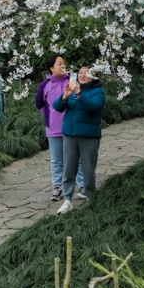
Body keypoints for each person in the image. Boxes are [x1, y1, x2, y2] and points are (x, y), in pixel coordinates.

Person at [53, 65, 105, 214]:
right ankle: (67, 199)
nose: (82, 75)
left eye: (86, 73)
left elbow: (94, 107)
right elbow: (57, 107)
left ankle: (90, 197)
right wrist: (65, 96)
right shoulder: (72, 89)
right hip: (70, 134)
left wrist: (79, 93)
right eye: (80, 73)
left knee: (88, 169)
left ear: (94, 77)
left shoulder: (98, 92)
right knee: (68, 168)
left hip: (88, 136)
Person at [35, 55, 85, 201]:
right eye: (59, 64)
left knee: (77, 158)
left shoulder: (72, 81)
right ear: (51, 68)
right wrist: (48, 116)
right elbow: (39, 103)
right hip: (54, 129)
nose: (63, 66)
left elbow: (80, 97)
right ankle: (58, 187)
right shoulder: (45, 85)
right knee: (57, 160)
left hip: (71, 127)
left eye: (64, 63)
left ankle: (82, 185)